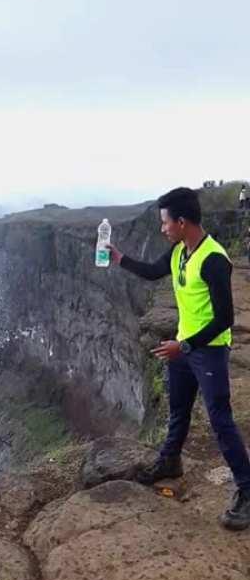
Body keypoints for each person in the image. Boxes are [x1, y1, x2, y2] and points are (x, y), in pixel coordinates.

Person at [107, 187, 250, 530]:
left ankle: (247, 489)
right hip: (185, 347)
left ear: (182, 222)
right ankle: (170, 461)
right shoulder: (179, 251)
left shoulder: (214, 259)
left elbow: (224, 319)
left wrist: (184, 347)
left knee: (220, 419)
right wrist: (119, 259)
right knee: (178, 408)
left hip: (209, 350)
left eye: (165, 223)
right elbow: (155, 271)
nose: (162, 228)